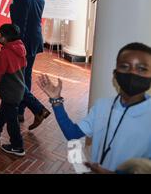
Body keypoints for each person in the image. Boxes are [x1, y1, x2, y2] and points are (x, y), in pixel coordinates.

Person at [37, 42, 151, 172]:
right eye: (125, 66)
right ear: (115, 74)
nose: (132, 73)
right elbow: (72, 134)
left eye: (142, 68)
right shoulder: (102, 106)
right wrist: (56, 100)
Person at [9, 0, 50, 130]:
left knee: (17, 78)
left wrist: (15, 45)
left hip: (23, 43)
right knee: (26, 76)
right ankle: (20, 111)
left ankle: (37, 109)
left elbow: (19, 25)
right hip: (35, 41)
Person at [0, 24, 27, 157]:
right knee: (4, 110)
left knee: (12, 120)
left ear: (6, 38)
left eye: (0, 34)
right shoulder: (21, 48)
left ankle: (17, 146)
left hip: (10, 91)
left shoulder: (4, 54)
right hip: (19, 88)